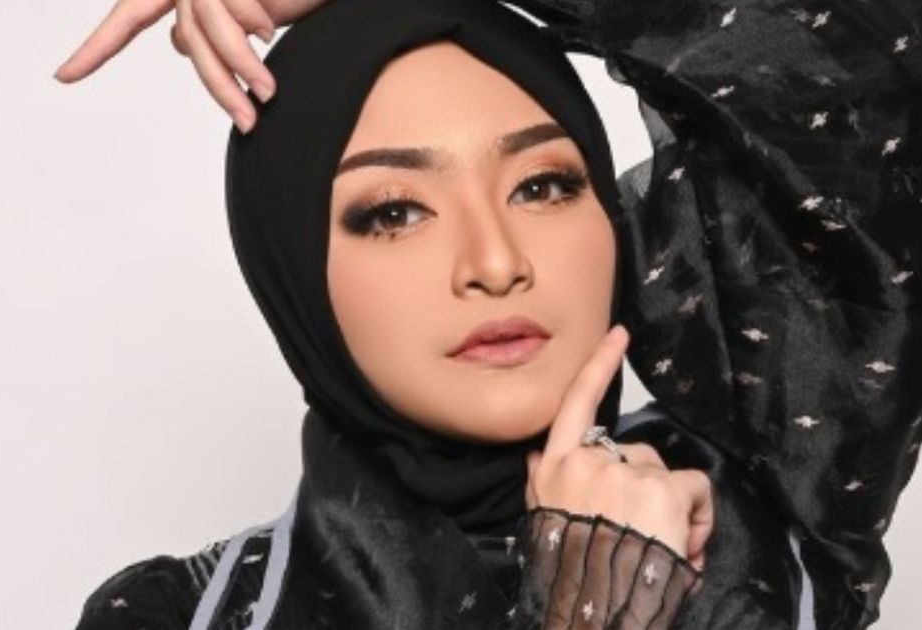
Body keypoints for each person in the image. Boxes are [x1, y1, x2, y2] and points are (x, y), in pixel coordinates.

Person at [57, 0, 922, 628]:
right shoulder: (188, 614)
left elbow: (871, 68)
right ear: (289, 268)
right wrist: (601, 602)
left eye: (542, 186)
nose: (496, 263)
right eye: (394, 211)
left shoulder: (771, 496)